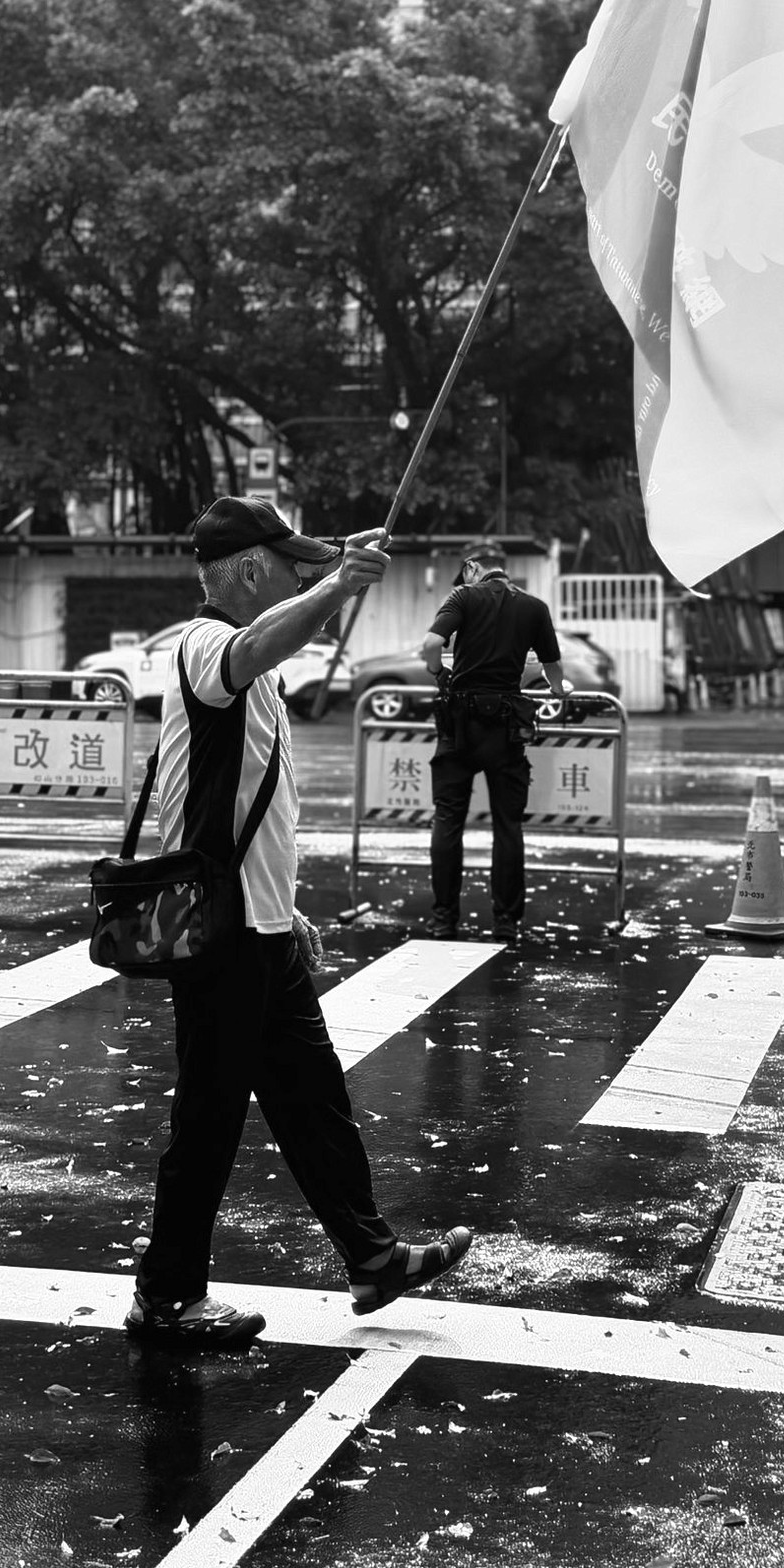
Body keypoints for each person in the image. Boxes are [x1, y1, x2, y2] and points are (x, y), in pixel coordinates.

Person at [126, 495, 472, 1348]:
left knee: (314, 1100)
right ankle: (166, 1297)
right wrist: (334, 587)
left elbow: (246, 803)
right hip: (223, 937)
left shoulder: (256, 662)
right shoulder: (206, 644)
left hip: (262, 927)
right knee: (209, 1115)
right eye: (282, 565)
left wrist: (332, 566)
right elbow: (254, 642)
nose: (297, 577)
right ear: (247, 572)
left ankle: (372, 1257)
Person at [422, 540, 566, 942]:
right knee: (507, 825)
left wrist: (438, 673)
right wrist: (557, 689)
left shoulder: (463, 596)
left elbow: (432, 645)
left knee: (449, 819)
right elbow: (553, 668)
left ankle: (444, 919)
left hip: (460, 727)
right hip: (506, 728)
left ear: (471, 567)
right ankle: (505, 922)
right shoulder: (534, 606)